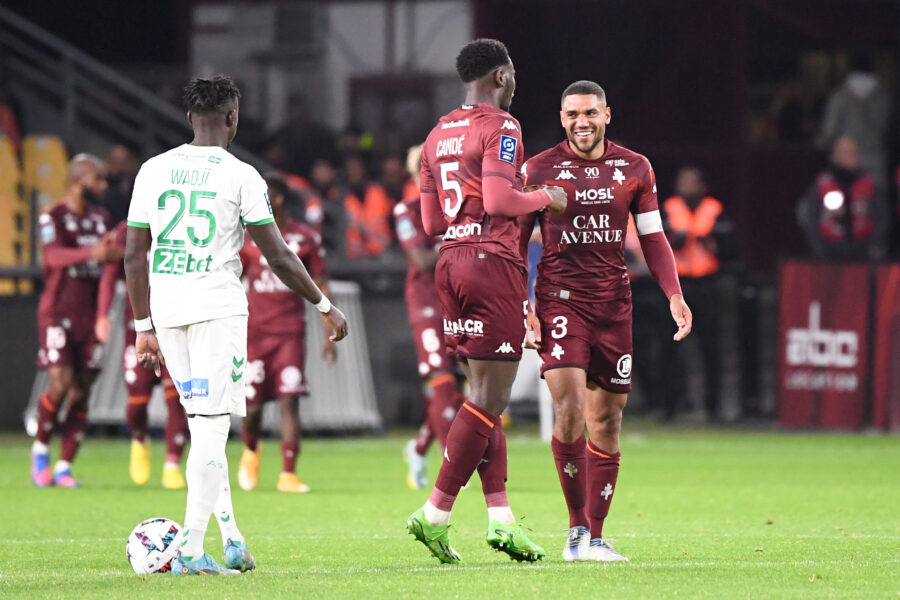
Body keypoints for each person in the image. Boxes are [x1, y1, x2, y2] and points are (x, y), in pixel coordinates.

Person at [124, 75, 348, 576]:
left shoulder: (152, 170)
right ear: (233, 118)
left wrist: (143, 326)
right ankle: (189, 548)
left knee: (203, 425)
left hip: (169, 311)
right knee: (213, 426)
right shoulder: (241, 174)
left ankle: (230, 537)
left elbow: (134, 255)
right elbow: (280, 256)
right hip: (217, 312)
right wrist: (323, 304)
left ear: (188, 117)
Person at [405, 38, 567, 564]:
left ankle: (500, 519)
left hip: (450, 262)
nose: (516, 82)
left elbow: (430, 223)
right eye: (514, 73)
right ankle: (434, 514)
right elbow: (499, 201)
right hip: (490, 260)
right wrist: (547, 197)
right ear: (500, 76)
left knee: (482, 396)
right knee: (486, 401)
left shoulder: (436, 135)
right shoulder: (502, 126)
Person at [521, 80, 691, 562]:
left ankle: (595, 538)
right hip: (560, 301)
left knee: (607, 421)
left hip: (614, 306)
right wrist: (523, 306)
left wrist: (675, 294)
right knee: (570, 409)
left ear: (607, 115)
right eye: (573, 114)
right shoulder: (538, 169)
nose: (582, 122)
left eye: (590, 113)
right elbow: (515, 243)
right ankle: (574, 530)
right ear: (562, 118)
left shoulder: (636, 167)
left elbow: (654, 239)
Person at [237, 172, 336, 494]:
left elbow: (320, 284)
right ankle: (251, 450)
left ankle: (288, 474)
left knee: (288, 401)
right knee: (251, 410)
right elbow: (233, 276)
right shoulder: (247, 236)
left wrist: (327, 331)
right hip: (255, 334)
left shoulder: (305, 238)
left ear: (277, 199)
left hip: (290, 333)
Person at [30, 154, 122, 488]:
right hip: (57, 312)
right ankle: (40, 449)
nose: (104, 185)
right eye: (98, 179)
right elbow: (53, 257)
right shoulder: (51, 215)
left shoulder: (101, 218)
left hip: (90, 317)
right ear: (78, 182)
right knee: (60, 382)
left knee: (82, 392)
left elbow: (109, 265)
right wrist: (90, 253)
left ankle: (64, 466)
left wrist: (102, 315)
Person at [95, 220, 188, 489]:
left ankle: (172, 464)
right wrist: (102, 314)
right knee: (136, 404)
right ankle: (139, 438)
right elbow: (111, 272)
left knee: (177, 401)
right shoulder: (128, 229)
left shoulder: (180, 221)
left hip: (173, 329)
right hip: (137, 331)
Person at [395, 143, 463, 490]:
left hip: (461, 301)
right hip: (426, 304)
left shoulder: (458, 206)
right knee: (442, 380)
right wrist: (462, 242)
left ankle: (419, 448)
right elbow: (421, 261)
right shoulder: (406, 210)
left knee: (461, 390)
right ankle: (453, 464)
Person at [660, 167, 734, 421]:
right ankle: (670, 405)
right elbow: (657, 242)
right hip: (677, 287)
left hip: (706, 284)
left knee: (711, 347)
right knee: (670, 346)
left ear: (702, 186)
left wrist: (711, 242)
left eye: (693, 182)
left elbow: (730, 246)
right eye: (684, 182)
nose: (688, 186)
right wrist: (676, 241)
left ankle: (713, 407)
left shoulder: (714, 209)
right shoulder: (669, 208)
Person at [797, 136, 890, 260]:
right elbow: (809, 217)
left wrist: (874, 244)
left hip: (863, 250)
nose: (850, 156)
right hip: (830, 250)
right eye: (845, 152)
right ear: (836, 156)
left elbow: (882, 217)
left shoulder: (869, 184)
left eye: (853, 152)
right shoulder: (822, 185)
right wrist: (819, 248)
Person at [817, 52, 891, 189]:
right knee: (876, 204)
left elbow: (829, 132)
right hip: (876, 163)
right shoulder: (884, 97)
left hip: (845, 166)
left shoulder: (840, 97)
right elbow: (887, 129)